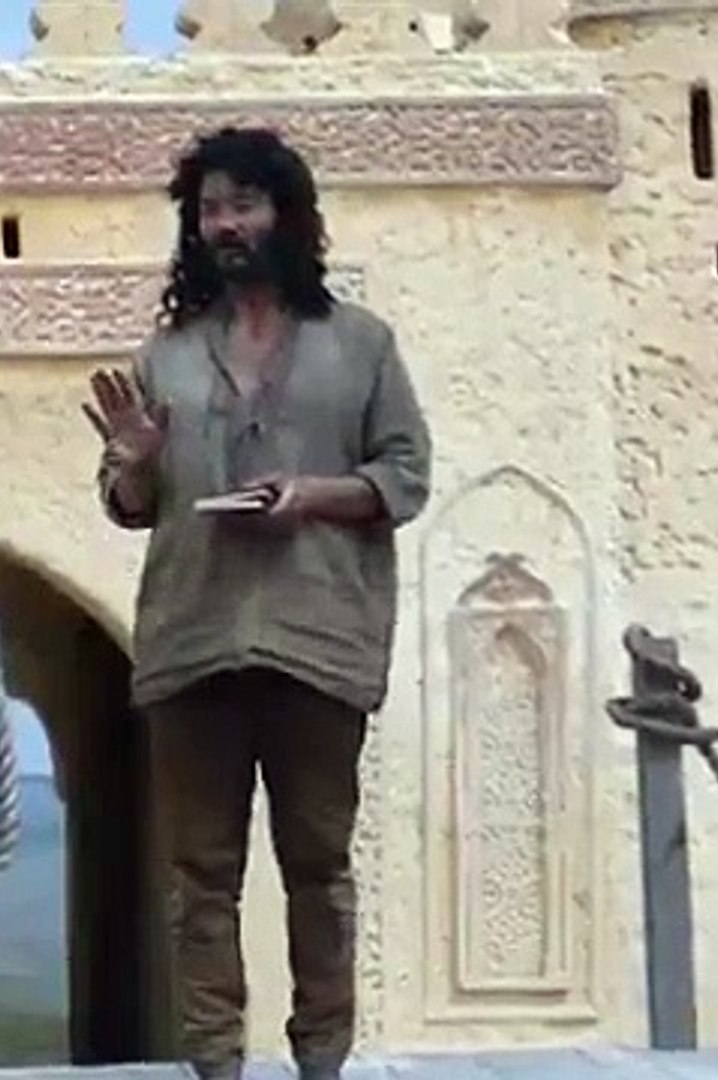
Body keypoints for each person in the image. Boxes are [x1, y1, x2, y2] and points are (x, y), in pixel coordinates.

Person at [83, 126, 431, 1080]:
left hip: (318, 638)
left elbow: (405, 475)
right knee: (201, 876)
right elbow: (129, 504)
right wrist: (133, 462)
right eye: (211, 211)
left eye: (244, 204)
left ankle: (323, 1057)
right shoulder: (168, 357)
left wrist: (312, 496)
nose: (227, 225)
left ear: (286, 215)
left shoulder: (359, 347)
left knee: (317, 867)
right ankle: (216, 1061)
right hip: (193, 640)